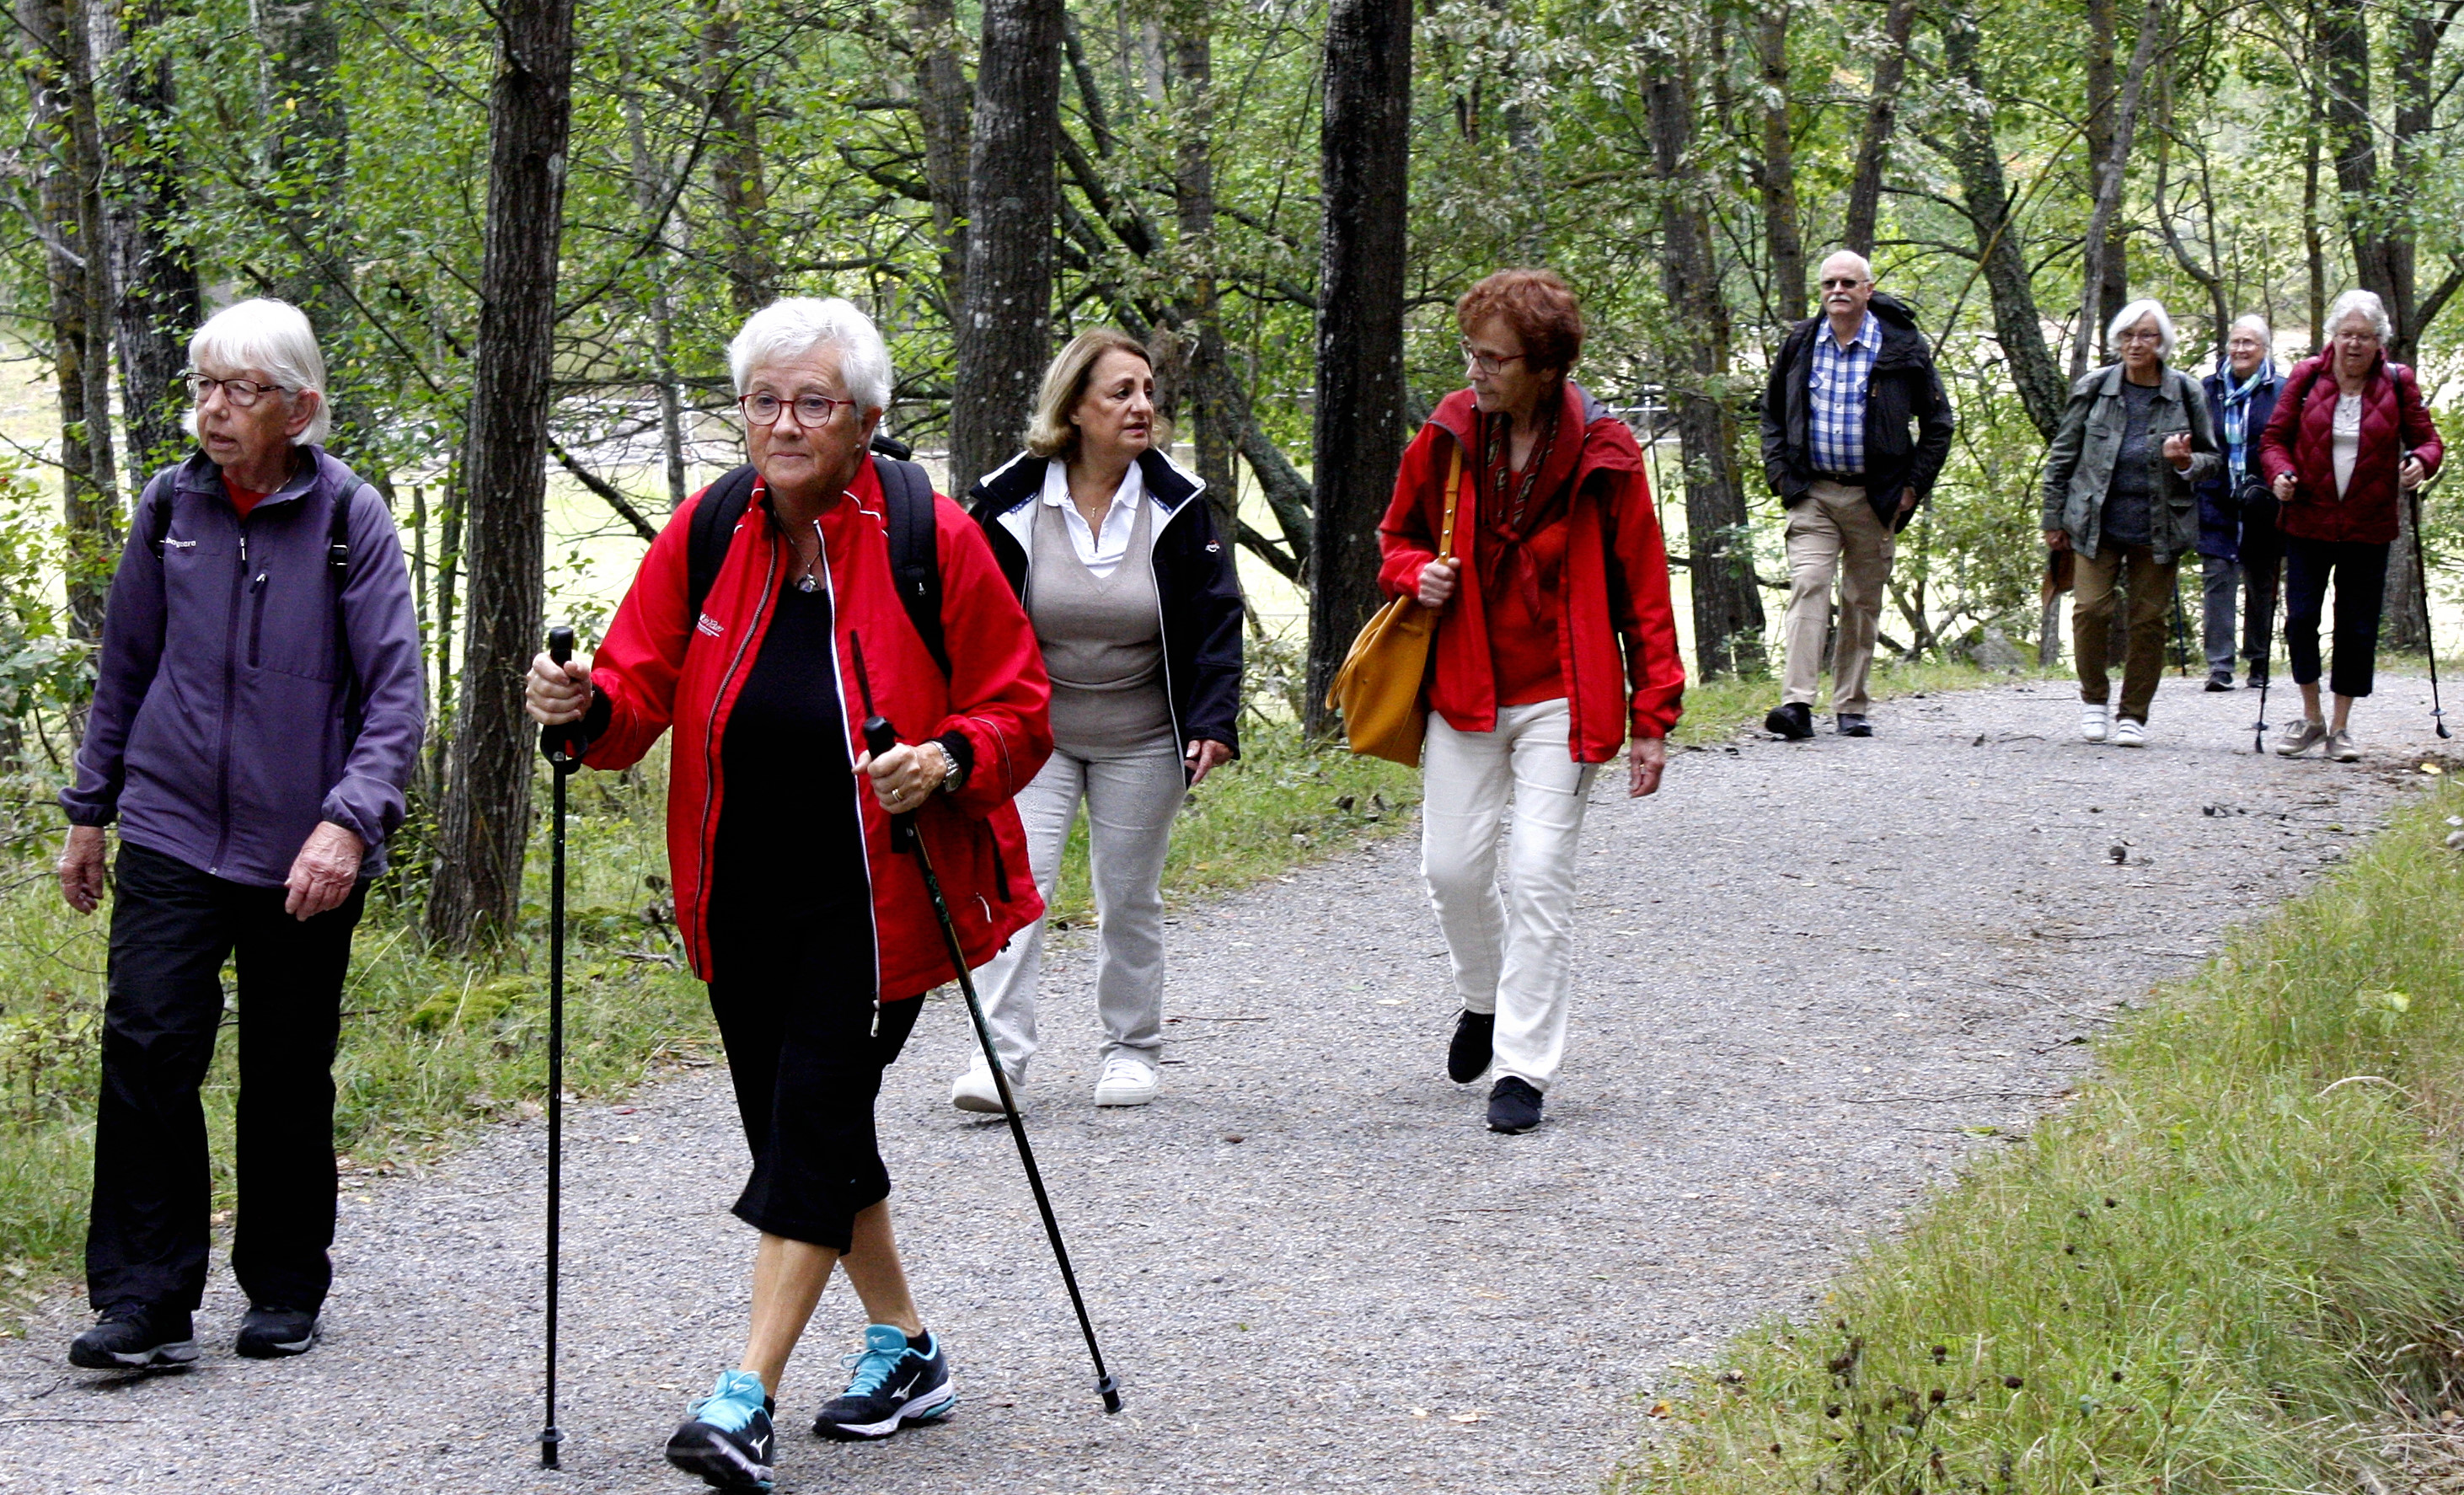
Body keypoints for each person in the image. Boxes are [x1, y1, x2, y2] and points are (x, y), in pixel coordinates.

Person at [524, 297, 1052, 1491]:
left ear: (865, 417)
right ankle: (908, 1350)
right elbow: (633, 692)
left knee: (811, 1120)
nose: (783, 423)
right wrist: (578, 707)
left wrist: (947, 758)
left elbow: (1021, 707)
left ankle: (741, 1396)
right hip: (741, 896)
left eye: (812, 401)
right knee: (806, 1131)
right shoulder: (711, 528)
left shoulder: (931, 535)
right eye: (763, 400)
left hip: (882, 903)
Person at [54, 298, 423, 1369]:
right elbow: (125, 666)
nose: (213, 410)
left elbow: (396, 699)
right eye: (204, 387)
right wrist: (90, 812)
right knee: (148, 1045)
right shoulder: (173, 503)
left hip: (304, 840)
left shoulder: (350, 519)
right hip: (170, 823)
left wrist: (347, 826)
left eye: (240, 391)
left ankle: (284, 1281)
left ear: (299, 408)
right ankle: (143, 1300)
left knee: (285, 1065)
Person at [1376, 268, 1684, 1135]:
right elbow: (1392, 537)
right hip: (1465, 686)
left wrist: (1653, 716)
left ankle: (1522, 1067)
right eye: (1470, 353)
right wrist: (1413, 574)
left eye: (1494, 359)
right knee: (1451, 870)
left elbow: (1644, 593)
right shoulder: (1444, 434)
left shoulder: (1606, 453)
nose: (1475, 371)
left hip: (1565, 696)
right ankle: (1482, 997)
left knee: (1538, 874)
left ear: (1545, 368)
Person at [958, 331, 1243, 1112]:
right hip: (1034, 736)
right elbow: (969, 615)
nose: (1142, 406)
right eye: (1121, 392)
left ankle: (1131, 1051)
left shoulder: (1179, 503)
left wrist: (1214, 718)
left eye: (1148, 391)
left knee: (1129, 895)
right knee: (1019, 886)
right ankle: (999, 1059)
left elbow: (1217, 618)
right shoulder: (1008, 501)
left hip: (1145, 735)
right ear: (1074, 407)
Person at [1756, 249, 1954, 739]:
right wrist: (1782, 475)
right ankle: (1797, 705)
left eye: (1848, 283)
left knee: (1862, 599)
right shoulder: (1801, 342)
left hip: (1876, 495)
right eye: (1829, 284)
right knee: (1810, 583)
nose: (1837, 291)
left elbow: (1938, 425)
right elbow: (1772, 415)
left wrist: (1912, 487)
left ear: (1868, 289)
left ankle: (1851, 705)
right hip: (1813, 493)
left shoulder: (1901, 347)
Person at [2258, 288, 2443, 761]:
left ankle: (2340, 727)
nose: (2354, 345)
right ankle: (2311, 717)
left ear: (2379, 342)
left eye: (2364, 336)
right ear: (2332, 338)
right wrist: (2279, 475)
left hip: (2368, 523)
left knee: (2356, 627)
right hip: (2308, 518)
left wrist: (2421, 462)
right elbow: (2273, 440)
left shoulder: (2398, 383)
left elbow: (2428, 442)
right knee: (2300, 620)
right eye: (2346, 335)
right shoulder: (2306, 377)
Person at [2041, 299, 2220, 747]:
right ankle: (2094, 702)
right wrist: (2053, 517)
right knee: (2089, 612)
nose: (2136, 344)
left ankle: (2133, 715)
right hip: (2093, 520)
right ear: (2117, 340)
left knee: (2147, 621)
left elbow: (2214, 460)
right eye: (2128, 336)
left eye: (2146, 336)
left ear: (2162, 343)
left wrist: (2184, 463)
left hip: (2159, 526)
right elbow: (2063, 454)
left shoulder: (2186, 392)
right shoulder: (2095, 387)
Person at [2193, 315, 2284, 691]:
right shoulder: (2207, 389)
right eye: (2235, 342)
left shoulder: (2282, 390)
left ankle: (2259, 662)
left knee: (2262, 580)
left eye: (2249, 343)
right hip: (2216, 497)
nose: (2240, 349)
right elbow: (2196, 439)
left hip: (2263, 500)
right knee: (2217, 577)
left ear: (2264, 349)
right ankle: (2219, 666)